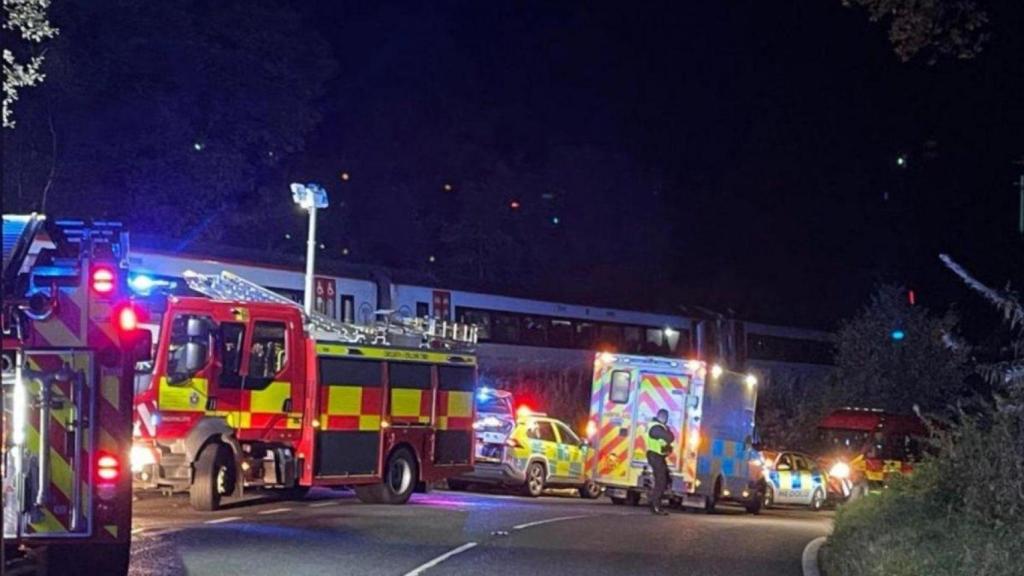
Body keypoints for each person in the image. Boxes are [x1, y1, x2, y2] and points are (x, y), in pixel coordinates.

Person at [646, 409, 675, 515]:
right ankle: (655, 506)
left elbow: (665, 441)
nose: (666, 420)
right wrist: (668, 431)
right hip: (655, 456)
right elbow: (669, 437)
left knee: (665, 479)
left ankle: (654, 502)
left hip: (658, 456)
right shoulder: (656, 428)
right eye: (666, 418)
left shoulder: (658, 427)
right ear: (663, 418)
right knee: (661, 481)